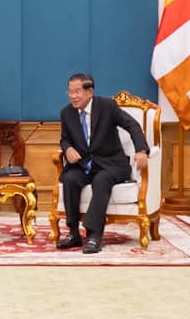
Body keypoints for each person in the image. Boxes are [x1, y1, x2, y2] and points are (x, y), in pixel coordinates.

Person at [56, 73, 150, 254]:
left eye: (77, 91)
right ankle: (74, 233)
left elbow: (132, 125)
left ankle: (94, 236)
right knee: (69, 178)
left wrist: (141, 150)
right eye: (70, 92)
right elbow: (65, 139)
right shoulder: (67, 113)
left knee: (101, 180)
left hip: (111, 164)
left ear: (89, 92)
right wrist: (67, 149)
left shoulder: (107, 107)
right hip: (84, 165)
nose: (73, 96)